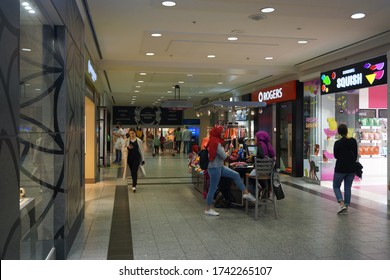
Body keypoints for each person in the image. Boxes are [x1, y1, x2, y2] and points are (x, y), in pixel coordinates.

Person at [205, 126, 256, 216]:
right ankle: (208, 209)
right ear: (217, 133)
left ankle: (246, 193)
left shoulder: (214, 141)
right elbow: (224, 156)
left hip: (219, 167)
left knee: (235, 174)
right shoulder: (216, 143)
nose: (223, 134)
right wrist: (232, 158)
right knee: (212, 189)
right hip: (215, 168)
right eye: (221, 132)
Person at [333, 124, 358, 214]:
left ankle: (342, 204)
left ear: (339, 132)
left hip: (340, 168)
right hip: (351, 168)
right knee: (348, 188)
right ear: (347, 131)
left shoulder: (337, 143)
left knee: (336, 186)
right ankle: (346, 207)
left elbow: (336, 156)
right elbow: (355, 155)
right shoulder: (353, 141)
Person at [250, 131, 276, 197]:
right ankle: (265, 188)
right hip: (269, 172)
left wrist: (253, 158)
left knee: (249, 176)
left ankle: (254, 195)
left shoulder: (260, 144)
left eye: (255, 137)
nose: (254, 138)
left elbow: (261, 156)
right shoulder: (269, 145)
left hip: (260, 172)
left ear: (259, 137)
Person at [126, 128, 145, 193]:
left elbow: (141, 150)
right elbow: (123, 149)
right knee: (132, 172)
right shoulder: (127, 140)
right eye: (130, 133)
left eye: (133, 133)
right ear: (129, 133)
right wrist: (127, 148)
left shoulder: (139, 140)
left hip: (137, 158)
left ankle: (134, 186)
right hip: (129, 159)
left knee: (134, 171)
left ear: (135, 133)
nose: (132, 135)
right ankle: (134, 183)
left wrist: (143, 159)